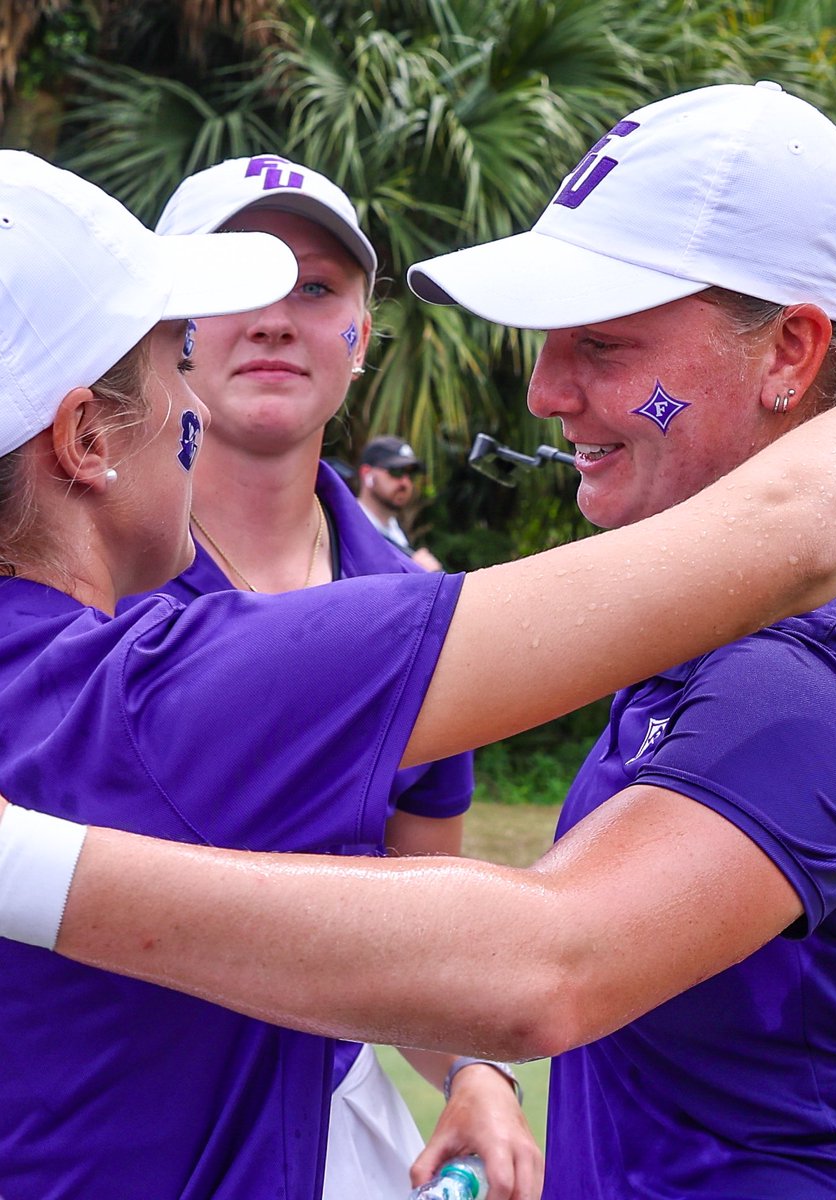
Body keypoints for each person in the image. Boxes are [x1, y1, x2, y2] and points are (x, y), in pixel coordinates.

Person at [6, 82, 836, 1200]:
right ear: (79, 436)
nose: (546, 392)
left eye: (601, 344)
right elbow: (787, 532)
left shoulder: (813, 672)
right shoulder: (142, 678)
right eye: (177, 352)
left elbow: (549, 962)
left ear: (791, 353)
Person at [146, 155, 534, 1197]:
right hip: (92, 1118)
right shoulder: (64, 576)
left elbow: (417, 936)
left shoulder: (415, 613)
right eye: (237, 279)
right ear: (157, 321)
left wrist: (477, 1071)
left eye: (317, 287)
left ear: (364, 336)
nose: (275, 318)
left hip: (323, 1129)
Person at [357, 434, 443, 570]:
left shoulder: (396, 531)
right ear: (367, 473)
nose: (405, 482)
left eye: (410, 474)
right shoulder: (349, 525)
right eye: (396, 472)